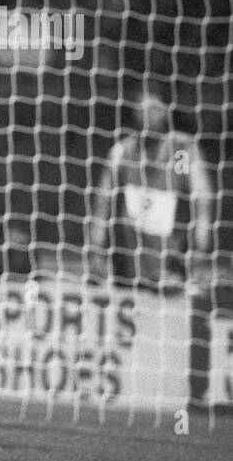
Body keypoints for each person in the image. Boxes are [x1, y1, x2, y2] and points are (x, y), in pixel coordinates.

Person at [86, 83, 220, 412]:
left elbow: (203, 198)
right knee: (136, 332)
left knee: (175, 329)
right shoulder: (124, 150)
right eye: (144, 109)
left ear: (166, 112)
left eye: (156, 109)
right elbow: (103, 200)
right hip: (131, 258)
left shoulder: (180, 151)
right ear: (134, 114)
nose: (150, 116)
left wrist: (201, 248)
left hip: (172, 257)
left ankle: (188, 397)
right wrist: (96, 246)